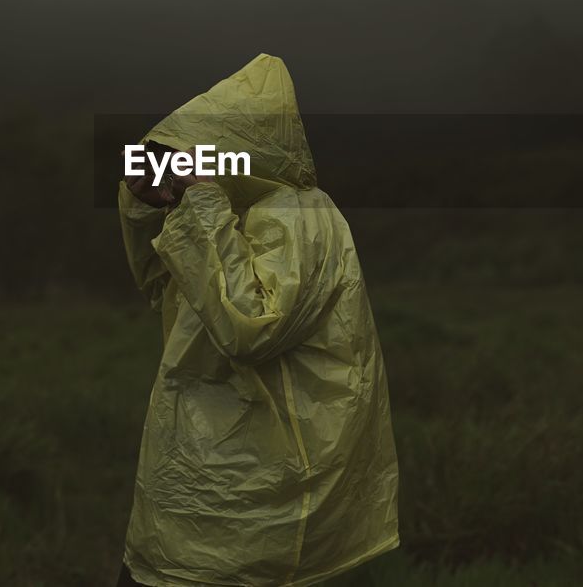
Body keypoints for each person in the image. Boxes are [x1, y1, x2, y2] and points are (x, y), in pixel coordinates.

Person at [116, 54, 399, 586]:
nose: (182, 169)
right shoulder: (222, 213)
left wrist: (199, 200)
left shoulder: (302, 213)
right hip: (195, 477)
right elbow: (161, 284)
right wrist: (148, 206)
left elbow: (252, 324)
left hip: (261, 496)